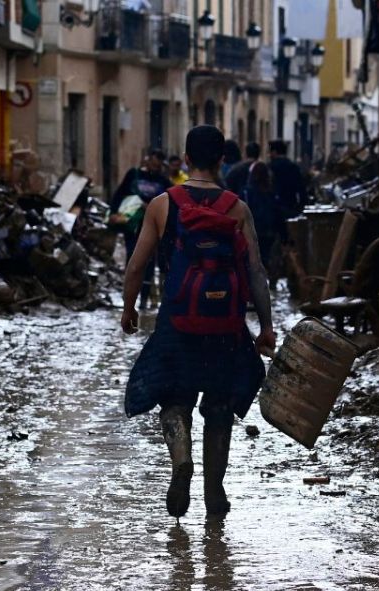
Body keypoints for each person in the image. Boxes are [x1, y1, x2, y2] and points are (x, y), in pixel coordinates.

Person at [121, 125, 277, 519]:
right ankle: (214, 491)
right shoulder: (237, 208)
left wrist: (129, 308)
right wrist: (266, 326)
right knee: (220, 406)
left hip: (177, 321)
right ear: (222, 160)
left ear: (186, 159)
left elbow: (136, 266)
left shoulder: (162, 204)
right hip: (225, 325)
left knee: (174, 399)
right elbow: (256, 271)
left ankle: (181, 460)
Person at [110, 149, 172, 309]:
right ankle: (129, 298)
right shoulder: (133, 175)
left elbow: (170, 201)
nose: (155, 167)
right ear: (148, 160)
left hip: (152, 225)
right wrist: (112, 212)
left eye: (159, 164)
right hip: (131, 224)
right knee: (132, 257)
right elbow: (119, 193)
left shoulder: (163, 181)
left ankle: (144, 299)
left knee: (150, 261)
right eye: (154, 162)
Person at [242, 161, 283, 281]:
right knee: (266, 258)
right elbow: (278, 214)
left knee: (254, 261)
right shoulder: (271, 192)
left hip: (252, 231)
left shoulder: (246, 192)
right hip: (269, 232)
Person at [268, 140, 309, 222]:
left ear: (274, 152)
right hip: (290, 205)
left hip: (272, 208)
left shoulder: (270, 167)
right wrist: (301, 206)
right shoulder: (293, 167)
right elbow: (301, 188)